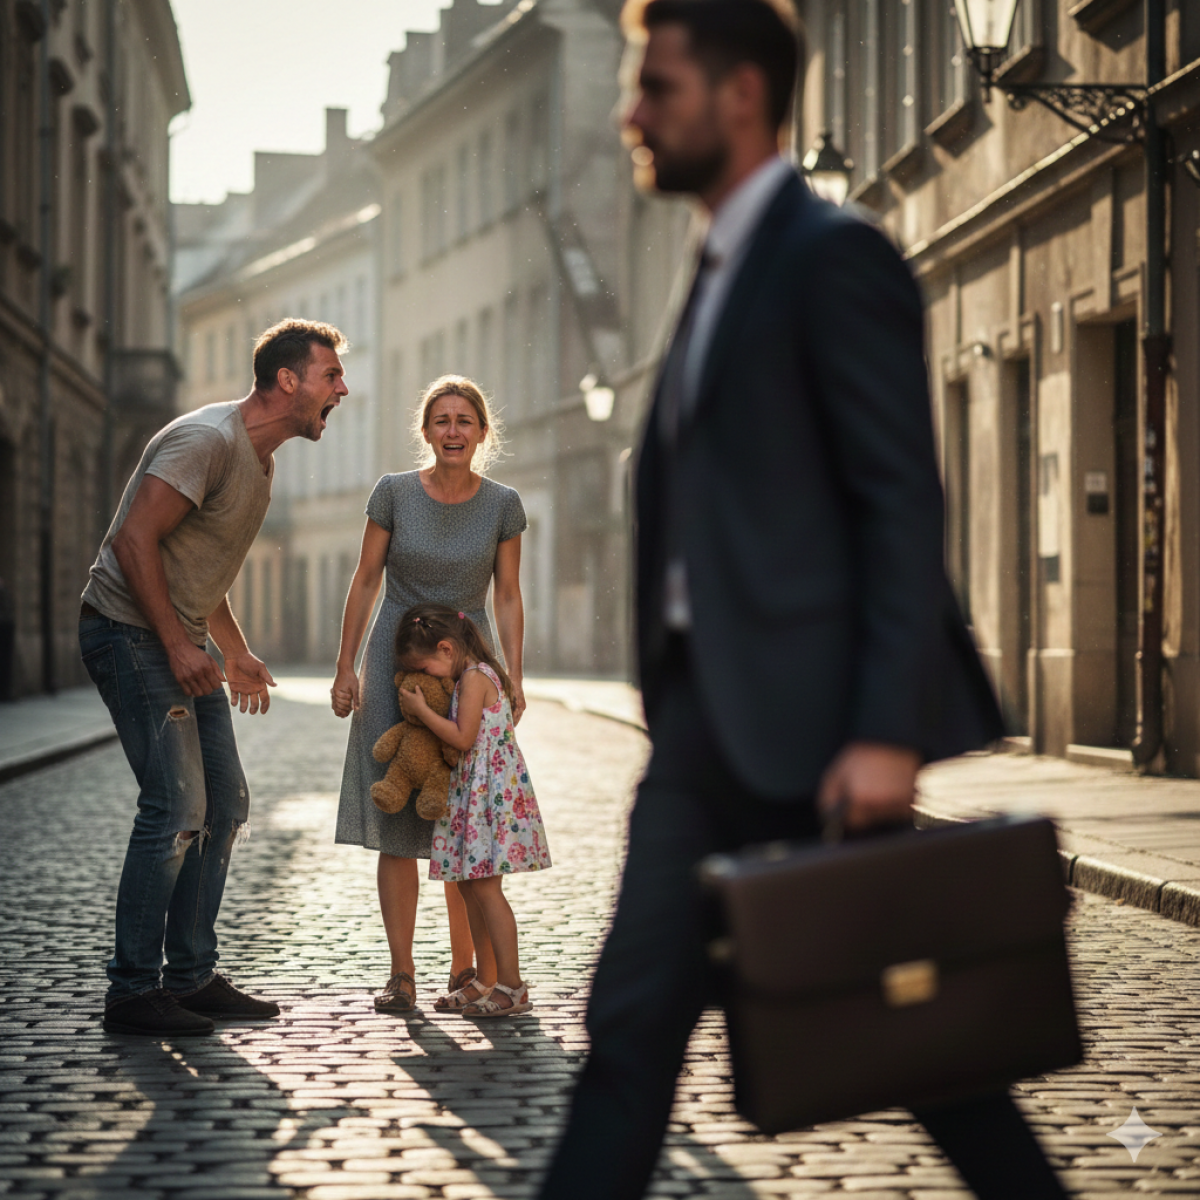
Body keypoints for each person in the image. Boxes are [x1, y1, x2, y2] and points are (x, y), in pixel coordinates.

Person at [538, 2, 1069, 1198]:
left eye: (656, 86)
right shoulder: (714, 272)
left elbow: (899, 504)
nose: (632, 113)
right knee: (628, 1039)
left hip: (816, 736)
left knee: (941, 1058)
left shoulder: (832, 257)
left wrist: (886, 731)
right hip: (703, 741)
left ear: (738, 96)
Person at [80, 319, 350, 1037]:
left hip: (176, 638)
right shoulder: (208, 442)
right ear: (288, 381)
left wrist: (233, 649)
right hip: (126, 633)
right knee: (175, 809)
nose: (342, 389)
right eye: (331, 376)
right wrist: (177, 644)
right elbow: (133, 539)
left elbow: (201, 568)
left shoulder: (261, 462)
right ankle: (133, 991)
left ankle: (191, 976)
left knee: (225, 805)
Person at [331, 375, 527, 1015]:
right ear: (426, 430)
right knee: (397, 820)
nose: (452, 431)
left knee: (460, 818)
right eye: (441, 420)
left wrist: (515, 677)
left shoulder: (503, 504)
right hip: (395, 661)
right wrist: (345, 667)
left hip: (466, 665)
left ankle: (465, 969)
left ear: (481, 432)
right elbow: (365, 580)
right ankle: (402, 974)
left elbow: (506, 595)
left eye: (464, 421)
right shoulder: (391, 494)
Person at [392, 602, 550, 1016]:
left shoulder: (478, 678)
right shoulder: (466, 676)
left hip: (489, 797)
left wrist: (424, 712)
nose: (425, 678)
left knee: (486, 888)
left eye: (425, 669)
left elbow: (463, 738)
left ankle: (512, 986)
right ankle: (484, 978)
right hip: (472, 794)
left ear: (446, 649)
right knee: (467, 884)